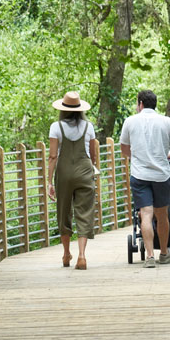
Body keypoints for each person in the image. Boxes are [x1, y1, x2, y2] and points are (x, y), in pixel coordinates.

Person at [119, 90, 170, 268]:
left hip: (140, 175)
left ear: (140, 103)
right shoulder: (165, 121)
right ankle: (164, 253)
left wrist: (135, 158)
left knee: (146, 215)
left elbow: (124, 148)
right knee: (162, 215)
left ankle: (149, 256)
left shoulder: (130, 121)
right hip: (161, 175)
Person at [46, 91, 98, 270]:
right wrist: (91, 169)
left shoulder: (56, 127)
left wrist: (49, 181)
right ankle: (82, 256)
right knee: (84, 211)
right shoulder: (88, 126)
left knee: (64, 212)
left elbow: (53, 156)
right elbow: (93, 154)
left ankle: (67, 253)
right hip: (84, 170)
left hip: (64, 172)